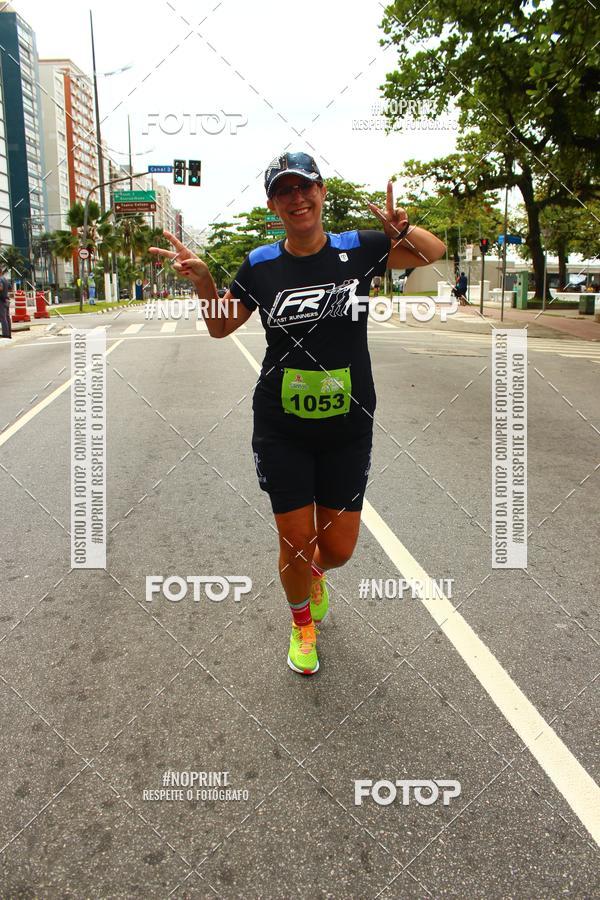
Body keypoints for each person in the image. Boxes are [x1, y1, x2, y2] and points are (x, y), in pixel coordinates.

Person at [149, 151, 445, 675]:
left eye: (304, 187)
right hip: (281, 427)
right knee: (295, 539)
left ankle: (315, 575)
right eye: (285, 191)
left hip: (348, 426)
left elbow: (431, 253)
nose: (297, 198)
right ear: (273, 205)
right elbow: (221, 327)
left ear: (321, 191)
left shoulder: (362, 248)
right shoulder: (261, 265)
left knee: (336, 548)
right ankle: (301, 623)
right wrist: (202, 285)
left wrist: (403, 230)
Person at [0, 266, 11, 339]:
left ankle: (5, 334)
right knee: (7, 317)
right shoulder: (5, 279)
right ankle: (9, 333)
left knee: (3, 317)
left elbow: (0, 288)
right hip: (6, 299)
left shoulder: (0, 279)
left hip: (1, 300)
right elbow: (10, 287)